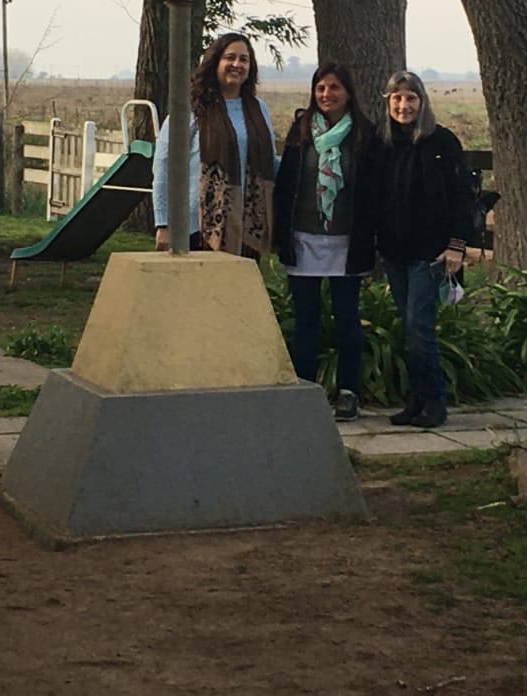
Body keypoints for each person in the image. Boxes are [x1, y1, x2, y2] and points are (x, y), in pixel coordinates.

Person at [273, 63, 379, 423]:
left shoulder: (364, 134)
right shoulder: (301, 129)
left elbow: (373, 191)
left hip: (346, 242)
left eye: (334, 88)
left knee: (347, 317)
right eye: (320, 88)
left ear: (348, 92)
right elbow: (287, 182)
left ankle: (348, 391)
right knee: (306, 318)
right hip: (303, 239)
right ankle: (305, 387)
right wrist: (279, 234)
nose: (326, 94)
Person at [375, 70, 473, 429]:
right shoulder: (382, 143)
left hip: (431, 253)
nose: (403, 105)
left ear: (422, 101)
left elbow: (463, 196)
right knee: (410, 325)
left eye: (410, 98)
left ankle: (434, 400)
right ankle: (415, 400)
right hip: (395, 250)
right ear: (388, 102)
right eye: (397, 98)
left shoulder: (442, 142)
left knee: (419, 324)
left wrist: (456, 245)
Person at [152, 32, 277, 257]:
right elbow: (164, 164)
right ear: (215, 62)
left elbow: (271, 161)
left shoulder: (259, 109)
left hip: (248, 226)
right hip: (197, 226)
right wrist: (163, 223)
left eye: (244, 59)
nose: (237, 64)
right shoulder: (191, 108)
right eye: (230, 57)